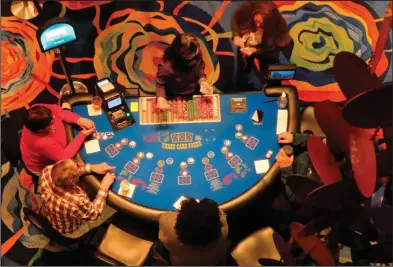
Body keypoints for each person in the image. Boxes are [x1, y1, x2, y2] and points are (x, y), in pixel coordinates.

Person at [38, 159, 116, 238]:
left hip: (51, 214)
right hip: (71, 230)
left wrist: (92, 168)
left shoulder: (47, 171)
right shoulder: (75, 202)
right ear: (73, 181)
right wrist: (104, 187)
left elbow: (69, 171)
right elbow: (94, 214)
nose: (78, 166)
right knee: (113, 207)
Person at [20, 104, 95, 175]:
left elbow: (59, 111)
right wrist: (82, 135)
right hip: (40, 166)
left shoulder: (38, 109)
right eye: (52, 122)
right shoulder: (41, 142)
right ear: (40, 130)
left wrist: (79, 120)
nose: (55, 117)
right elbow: (63, 157)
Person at [231, 1, 292, 89]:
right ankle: (242, 84)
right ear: (255, 13)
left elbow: (273, 51)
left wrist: (256, 50)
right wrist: (236, 36)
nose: (258, 25)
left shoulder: (279, 28)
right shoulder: (247, 8)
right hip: (251, 40)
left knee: (272, 68)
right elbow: (236, 17)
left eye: (262, 24)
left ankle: (272, 88)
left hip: (269, 48)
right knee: (243, 68)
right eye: (257, 21)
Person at [158, 198, 230, 265]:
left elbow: (163, 217)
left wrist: (182, 212)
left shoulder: (169, 231)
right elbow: (221, 214)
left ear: (179, 224)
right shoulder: (223, 230)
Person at [155, 33, 213, 110]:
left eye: (196, 52)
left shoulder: (196, 53)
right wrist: (161, 99)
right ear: (180, 55)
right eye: (191, 55)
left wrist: (202, 81)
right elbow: (160, 85)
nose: (196, 54)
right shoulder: (166, 67)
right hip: (173, 95)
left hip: (194, 93)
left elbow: (200, 70)